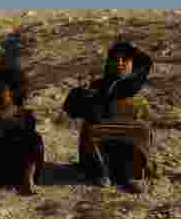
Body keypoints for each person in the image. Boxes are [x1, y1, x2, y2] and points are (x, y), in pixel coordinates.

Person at [62, 40, 155, 195]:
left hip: (128, 157)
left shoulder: (138, 95)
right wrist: (81, 96)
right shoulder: (97, 87)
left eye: (125, 59)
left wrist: (135, 49)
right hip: (98, 159)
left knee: (142, 130)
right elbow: (71, 110)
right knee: (92, 128)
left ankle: (131, 175)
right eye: (115, 59)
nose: (119, 63)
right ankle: (101, 172)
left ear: (133, 64)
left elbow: (146, 138)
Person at [0, 67, 45, 195]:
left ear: (14, 92)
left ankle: (28, 180)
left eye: (0, 90)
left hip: (18, 171)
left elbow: (27, 146)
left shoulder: (25, 117)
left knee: (35, 139)